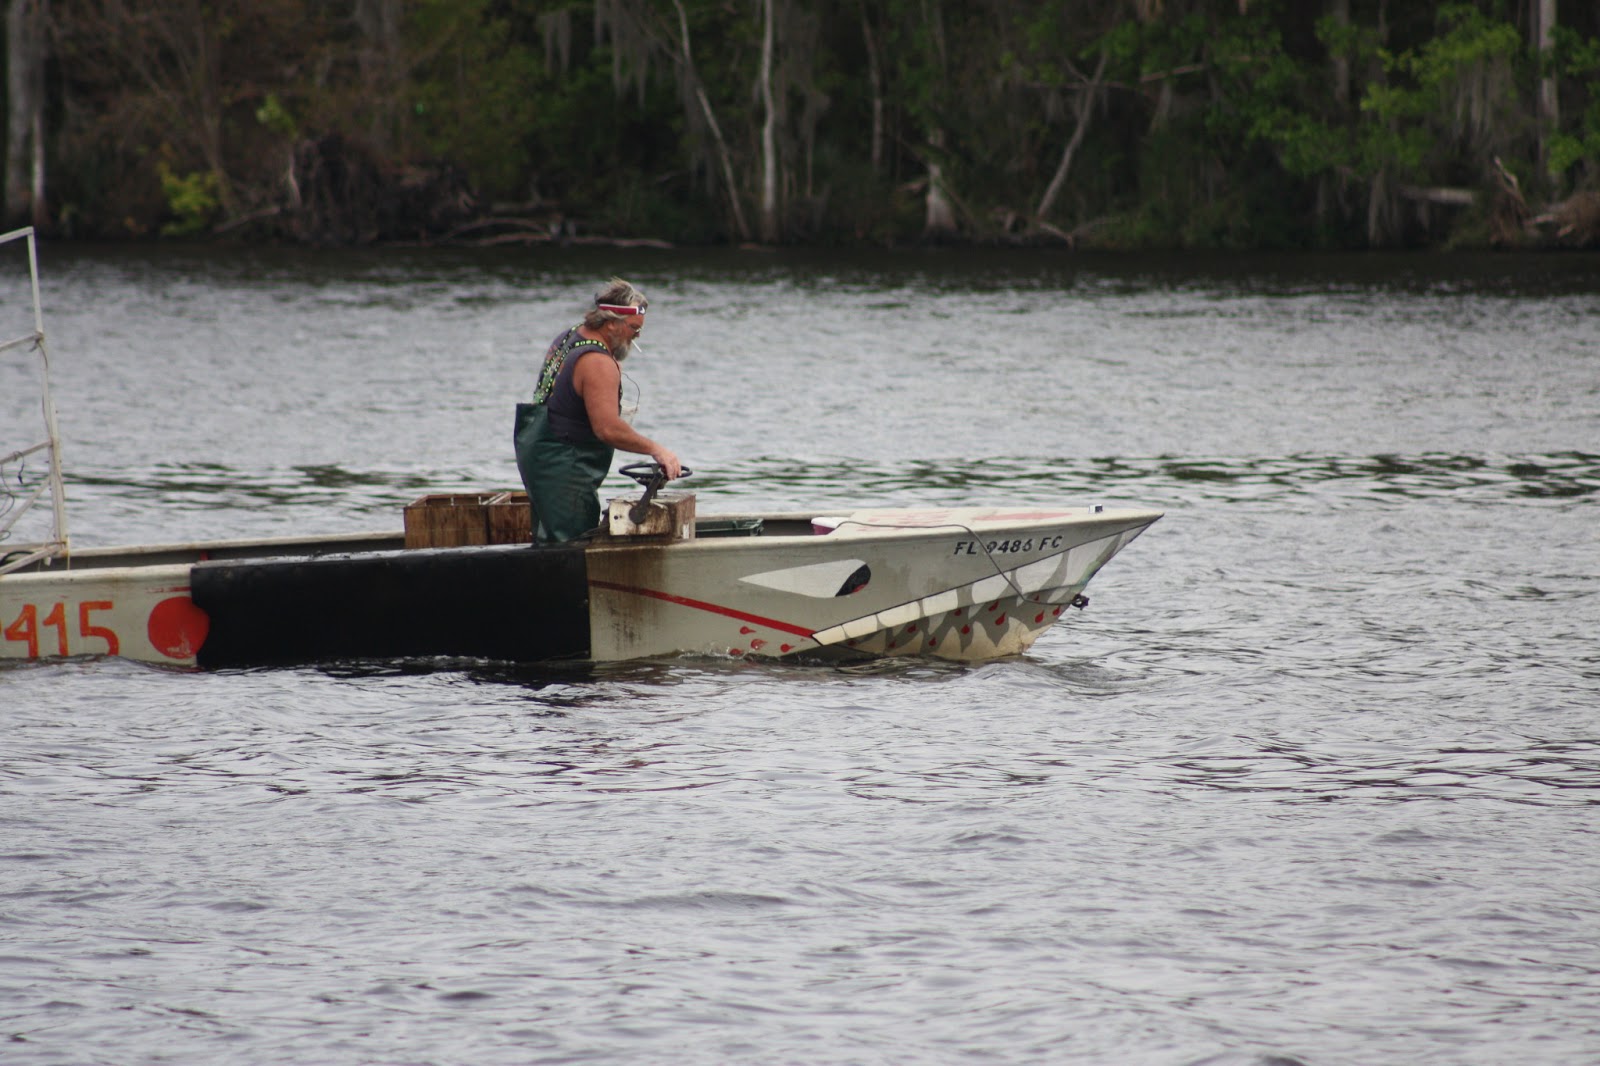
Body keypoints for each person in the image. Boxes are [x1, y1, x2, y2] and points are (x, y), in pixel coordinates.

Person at [514, 278, 683, 543]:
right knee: (571, 544)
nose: (636, 337)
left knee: (551, 540)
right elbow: (607, 429)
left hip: (540, 455)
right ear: (611, 322)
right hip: (564, 465)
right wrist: (657, 449)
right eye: (634, 329)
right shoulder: (597, 362)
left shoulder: (571, 335)